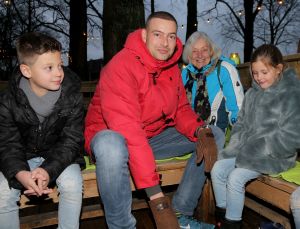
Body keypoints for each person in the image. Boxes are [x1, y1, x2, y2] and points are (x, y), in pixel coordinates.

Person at [84, 11, 225, 229]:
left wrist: (199, 130)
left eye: (171, 36)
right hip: (115, 140)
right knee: (111, 145)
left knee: (212, 134)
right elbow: (128, 131)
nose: (165, 43)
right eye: (158, 34)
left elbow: (180, 110)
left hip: (150, 138)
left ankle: (181, 212)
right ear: (143, 36)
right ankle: (122, 226)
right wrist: (158, 201)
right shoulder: (120, 66)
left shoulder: (172, 68)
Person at [0, 32, 85, 229]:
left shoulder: (71, 97)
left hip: (60, 157)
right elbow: (7, 144)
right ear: (26, 70)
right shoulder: (7, 102)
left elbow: (72, 141)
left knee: (72, 184)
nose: (58, 73)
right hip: (21, 157)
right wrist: (20, 173)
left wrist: (48, 170)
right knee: (3, 191)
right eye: (49, 68)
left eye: (59, 65)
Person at [211, 44, 300, 229]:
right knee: (218, 169)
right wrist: (237, 145)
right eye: (255, 73)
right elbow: (241, 123)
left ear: (278, 69)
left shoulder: (291, 94)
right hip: (247, 151)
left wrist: (258, 148)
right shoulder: (252, 94)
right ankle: (225, 219)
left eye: (264, 72)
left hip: (275, 156)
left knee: (235, 178)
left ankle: (232, 224)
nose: (259, 78)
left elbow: (292, 137)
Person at [181, 31, 244, 133]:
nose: (200, 55)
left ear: (211, 51)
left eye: (204, 50)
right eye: (194, 51)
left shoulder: (224, 69)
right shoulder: (185, 74)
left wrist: (239, 133)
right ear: (188, 55)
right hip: (189, 130)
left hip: (216, 130)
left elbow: (237, 107)